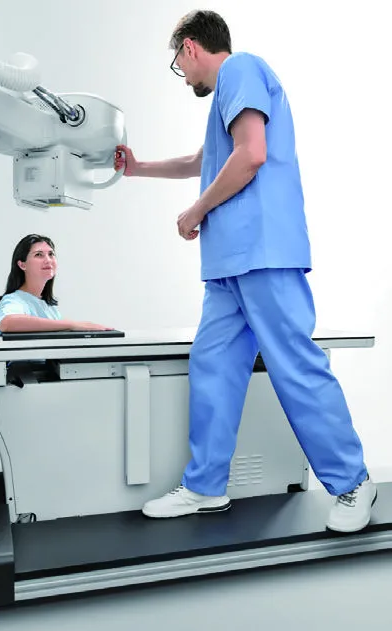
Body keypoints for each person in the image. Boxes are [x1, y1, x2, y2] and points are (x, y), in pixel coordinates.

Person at [114, 10, 376, 532]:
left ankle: (352, 482)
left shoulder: (241, 69)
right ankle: (205, 486)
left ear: (190, 47)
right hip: (229, 265)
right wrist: (139, 168)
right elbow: (204, 160)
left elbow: (251, 154)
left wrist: (196, 211)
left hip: (262, 251)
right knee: (212, 366)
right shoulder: (226, 100)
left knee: (293, 364)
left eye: (179, 64)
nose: (183, 77)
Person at [0, 234, 112, 336]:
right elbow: (7, 323)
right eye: (39, 255)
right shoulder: (14, 300)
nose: (48, 260)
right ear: (22, 265)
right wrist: (72, 325)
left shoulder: (48, 307)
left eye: (51, 254)